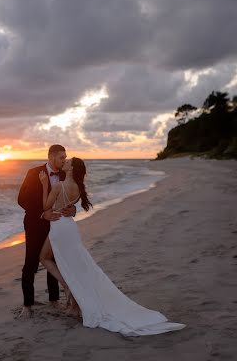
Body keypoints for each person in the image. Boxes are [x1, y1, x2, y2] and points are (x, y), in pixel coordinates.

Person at [38, 156, 187, 336]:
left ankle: (70, 287)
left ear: (71, 169)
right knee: (75, 265)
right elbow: (69, 205)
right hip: (70, 227)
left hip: (60, 227)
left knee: (47, 259)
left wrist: (44, 183)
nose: (65, 162)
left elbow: (46, 206)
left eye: (68, 161)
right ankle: (74, 294)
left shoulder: (58, 186)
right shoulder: (78, 188)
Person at [17, 144, 77, 318]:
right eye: (61, 157)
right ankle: (27, 305)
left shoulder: (65, 174)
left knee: (54, 260)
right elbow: (21, 200)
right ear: (51, 157)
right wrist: (43, 214)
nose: (64, 160)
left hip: (57, 224)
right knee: (31, 263)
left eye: (65, 157)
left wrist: (72, 210)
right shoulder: (33, 173)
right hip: (36, 224)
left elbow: (70, 200)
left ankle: (53, 300)